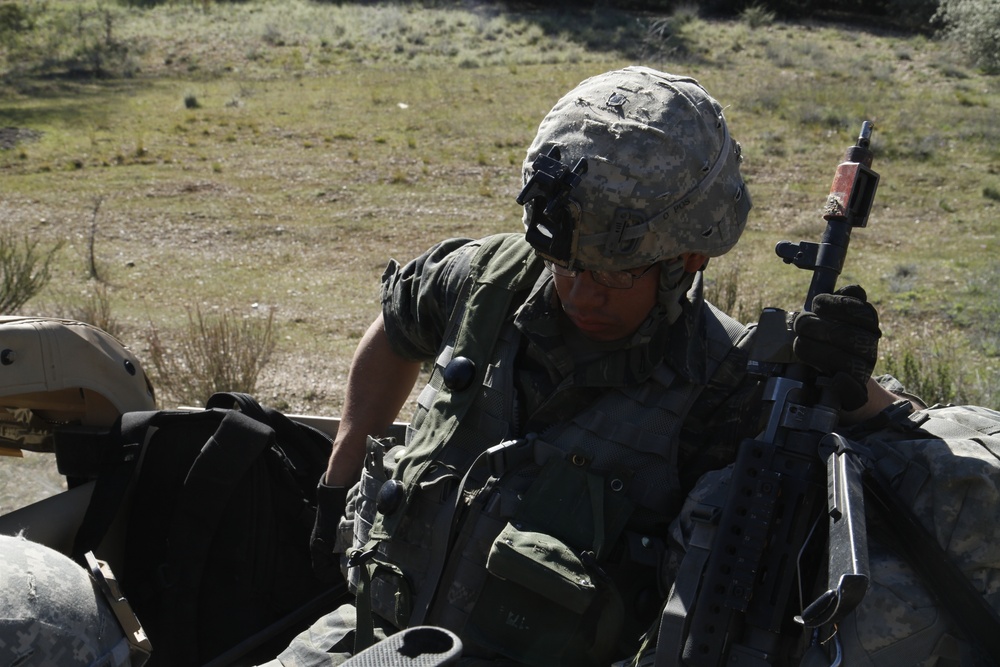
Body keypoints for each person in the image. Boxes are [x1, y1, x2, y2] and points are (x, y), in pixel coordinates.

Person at [276, 66, 901, 667]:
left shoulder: (726, 382)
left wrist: (846, 383)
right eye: (566, 265)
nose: (580, 294)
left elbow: (895, 455)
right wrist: (340, 481)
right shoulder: (492, 280)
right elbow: (397, 322)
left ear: (686, 260)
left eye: (613, 274)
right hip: (374, 636)